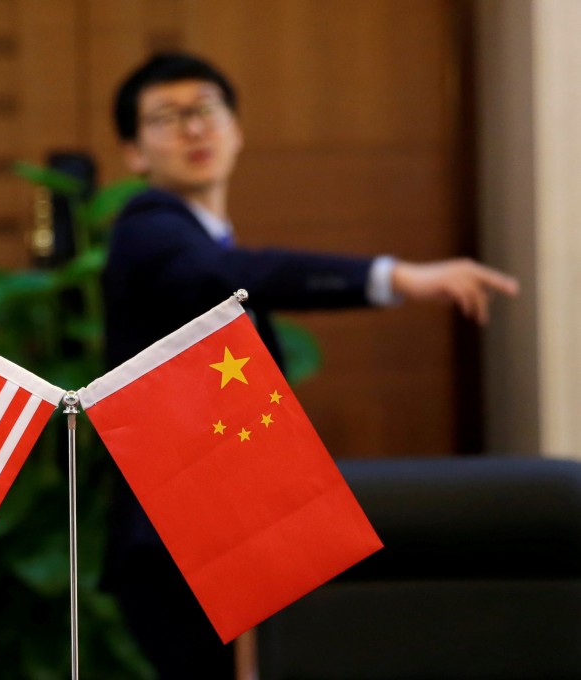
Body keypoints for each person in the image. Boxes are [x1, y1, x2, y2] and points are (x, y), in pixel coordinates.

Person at [101, 52, 519, 679]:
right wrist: (394, 276)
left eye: (207, 109)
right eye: (167, 117)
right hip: (178, 543)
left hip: (228, 533)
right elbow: (231, 276)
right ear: (134, 152)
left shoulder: (205, 238)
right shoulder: (148, 228)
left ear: (237, 129)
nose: (194, 128)